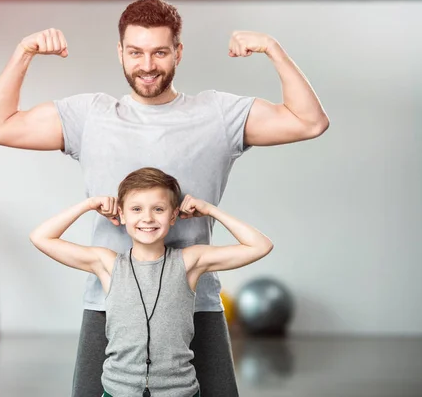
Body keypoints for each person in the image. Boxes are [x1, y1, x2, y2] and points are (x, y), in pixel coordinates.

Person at [0, 0, 329, 395]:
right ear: (120, 53)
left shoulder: (216, 114)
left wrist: (272, 49)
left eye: (160, 52)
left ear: (178, 52)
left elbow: (310, 122)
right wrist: (24, 52)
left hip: (196, 304)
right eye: (136, 52)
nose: (147, 65)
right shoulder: (90, 116)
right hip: (109, 305)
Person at [29, 167, 273, 397]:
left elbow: (261, 246)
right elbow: (41, 237)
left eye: (158, 209)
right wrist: (89, 204)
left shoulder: (190, 262)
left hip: (179, 391)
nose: (147, 218)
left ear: (174, 215)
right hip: (118, 391)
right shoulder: (108, 264)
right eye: (136, 209)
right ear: (121, 215)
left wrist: (210, 210)